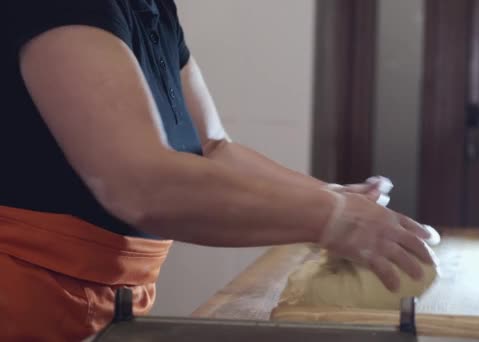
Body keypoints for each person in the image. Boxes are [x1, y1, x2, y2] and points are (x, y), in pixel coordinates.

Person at [1, 0, 437, 340]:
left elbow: (212, 147)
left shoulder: (153, 8)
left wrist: (329, 196)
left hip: (108, 303)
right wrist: (330, 219)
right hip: (25, 303)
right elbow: (139, 184)